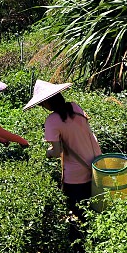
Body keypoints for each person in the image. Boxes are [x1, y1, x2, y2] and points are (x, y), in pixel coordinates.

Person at [23, 80, 102, 216]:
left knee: (77, 214)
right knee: (95, 209)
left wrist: (47, 153)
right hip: (96, 165)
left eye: (42, 104)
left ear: (47, 103)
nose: (43, 107)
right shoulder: (75, 107)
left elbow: (57, 152)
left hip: (76, 175)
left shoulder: (52, 121)